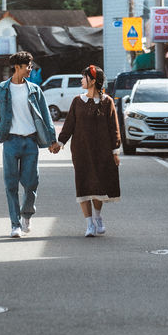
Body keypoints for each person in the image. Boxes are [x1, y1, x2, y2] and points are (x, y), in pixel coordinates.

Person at [0, 51, 59, 239]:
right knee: (11, 185)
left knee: (31, 182)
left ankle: (27, 214)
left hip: (30, 141)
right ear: (17, 67)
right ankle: (15, 224)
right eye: (28, 66)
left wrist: (52, 140)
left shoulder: (34, 90)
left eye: (31, 66)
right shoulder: (1, 89)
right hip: (10, 141)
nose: (30, 70)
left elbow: (46, 116)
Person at [51, 64, 120, 237]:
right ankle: (89, 224)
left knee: (97, 185)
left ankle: (97, 217)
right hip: (81, 150)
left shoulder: (107, 102)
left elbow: (114, 128)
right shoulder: (77, 101)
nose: (81, 80)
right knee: (83, 184)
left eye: (84, 77)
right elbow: (69, 125)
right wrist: (60, 143)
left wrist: (115, 151)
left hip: (102, 151)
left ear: (93, 80)